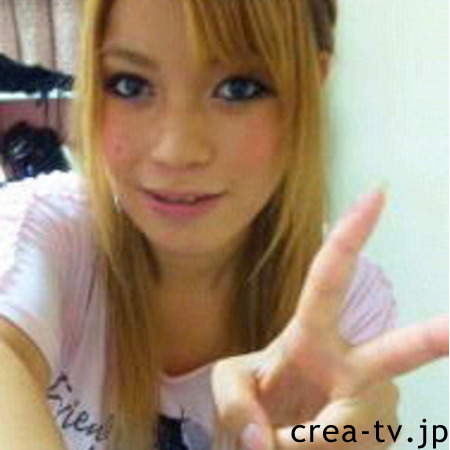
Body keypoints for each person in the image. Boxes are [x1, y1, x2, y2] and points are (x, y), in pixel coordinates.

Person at [0, 0, 447, 449]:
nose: (176, 151)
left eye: (238, 88)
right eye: (130, 84)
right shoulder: (37, 234)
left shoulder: (345, 305)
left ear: (310, 87)